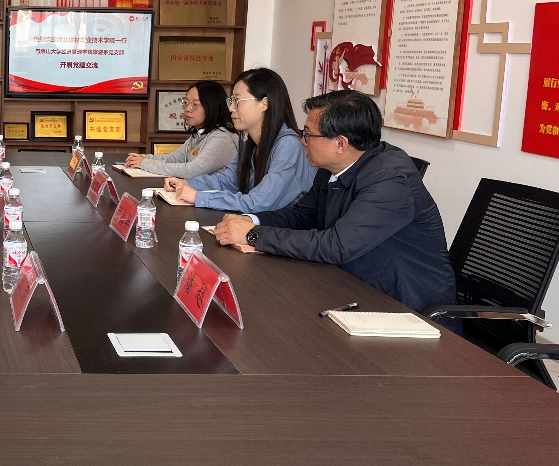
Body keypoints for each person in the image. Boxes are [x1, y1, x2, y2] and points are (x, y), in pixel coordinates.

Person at [214, 89, 457, 311]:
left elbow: (336, 246)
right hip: (350, 284)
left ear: (340, 144)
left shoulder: (390, 179)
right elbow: (302, 215)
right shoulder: (333, 165)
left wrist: (253, 235)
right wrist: (249, 220)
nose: (302, 141)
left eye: (307, 134)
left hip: (404, 306)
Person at [164, 67, 314, 212]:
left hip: (283, 226)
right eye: (231, 101)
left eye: (237, 100)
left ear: (264, 103)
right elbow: (228, 180)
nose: (231, 108)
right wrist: (187, 183)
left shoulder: (288, 145)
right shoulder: (250, 141)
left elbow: (260, 202)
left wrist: (199, 197)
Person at [123, 80, 238, 177]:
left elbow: (191, 170)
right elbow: (175, 158)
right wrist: (143, 158)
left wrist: (144, 163)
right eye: (186, 102)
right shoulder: (199, 133)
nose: (187, 109)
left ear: (212, 107)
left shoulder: (222, 138)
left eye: (195, 104)